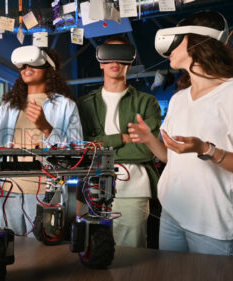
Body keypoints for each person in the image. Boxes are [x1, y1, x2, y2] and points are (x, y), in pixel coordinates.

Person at [128, 11, 233, 256]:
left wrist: (206, 150)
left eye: (178, 40)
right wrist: (149, 139)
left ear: (197, 42)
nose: (169, 49)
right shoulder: (179, 99)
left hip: (213, 223)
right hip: (173, 213)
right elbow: (172, 159)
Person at [0, 46, 82, 236]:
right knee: (6, 247)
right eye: (22, 65)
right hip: (8, 192)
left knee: (41, 253)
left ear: (50, 68)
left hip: (44, 194)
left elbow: (77, 153)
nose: (26, 67)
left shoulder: (66, 106)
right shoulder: (9, 106)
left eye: (33, 63)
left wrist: (46, 127)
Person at [77, 35, 161, 248]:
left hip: (134, 191)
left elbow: (145, 152)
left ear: (130, 61)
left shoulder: (146, 102)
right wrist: (121, 139)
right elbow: (82, 149)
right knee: (93, 248)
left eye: (122, 56)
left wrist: (100, 144)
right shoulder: (84, 104)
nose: (115, 62)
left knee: (131, 252)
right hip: (92, 189)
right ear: (101, 61)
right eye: (109, 55)